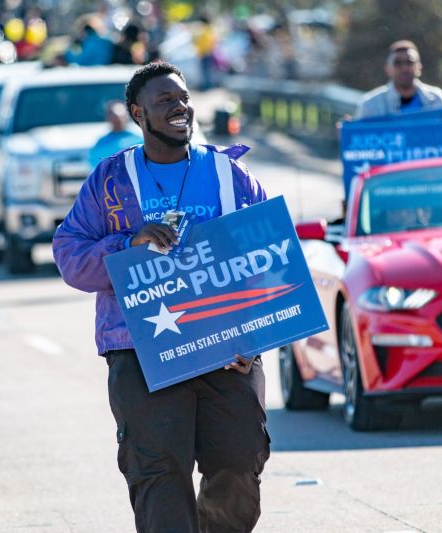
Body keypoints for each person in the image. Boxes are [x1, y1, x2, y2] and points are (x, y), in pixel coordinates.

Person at [52, 62, 270, 533]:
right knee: (159, 473)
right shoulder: (111, 181)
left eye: (184, 98)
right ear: (138, 113)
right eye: (165, 101)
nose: (180, 108)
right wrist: (126, 244)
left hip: (228, 348)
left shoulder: (231, 175)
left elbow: (270, 256)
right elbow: (70, 254)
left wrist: (253, 336)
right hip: (141, 349)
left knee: (238, 464)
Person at [355, 40, 442, 119]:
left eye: (410, 62)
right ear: (387, 68)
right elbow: (360, 138)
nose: (404, 68)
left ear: (419, 67)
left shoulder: (437, 99)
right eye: (398, 63)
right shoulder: (371, 104)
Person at [88, 100, 143, 168]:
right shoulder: (102, 143)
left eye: (121, 117)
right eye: (114, 117)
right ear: (108, 118)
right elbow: (96, 165)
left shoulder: (139, 141)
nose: (118, 120)